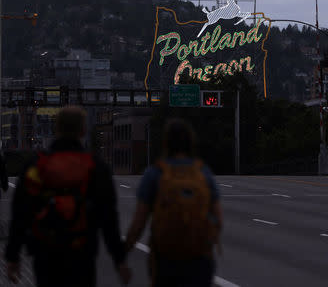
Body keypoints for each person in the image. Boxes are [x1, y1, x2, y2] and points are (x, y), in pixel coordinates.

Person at [5, 106, 131, 287]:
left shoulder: (37, 165)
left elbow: (20, 213)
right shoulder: (96, 167)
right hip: (82, 252)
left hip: (45, 253)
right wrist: (119, 259)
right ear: (83, 130)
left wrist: (12, 256)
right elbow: (109, 218)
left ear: (56, 129)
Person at [125, 118, 223, 287]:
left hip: (166, 259)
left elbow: (138, 224)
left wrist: (122, 255)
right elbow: (218, 219)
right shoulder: (203, 173)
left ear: (166, 142)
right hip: (199, 259)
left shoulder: (155, 173)